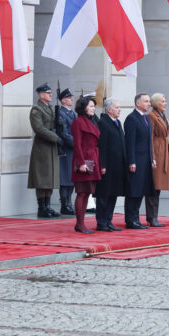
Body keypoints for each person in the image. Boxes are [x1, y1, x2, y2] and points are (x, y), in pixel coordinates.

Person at [28, 83, 62, 218]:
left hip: (51, 146)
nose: (51, 95)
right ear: (41, 94)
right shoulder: (36, 110)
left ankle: (47, 206)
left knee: (50, 177)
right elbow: (39, 129)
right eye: (48, 93)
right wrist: (56, 138)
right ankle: (41, 207)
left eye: (50, 93)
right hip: (42, 147)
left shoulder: (50, 108)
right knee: (42, 178)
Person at [124, 93, 156, 229]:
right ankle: (131, 220)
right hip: (136, 161)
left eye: (149, 101)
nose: (149, 104)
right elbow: (129, 143)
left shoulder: (145, 118)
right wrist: (131, 161)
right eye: (146, 101)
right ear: (138, 103)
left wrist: (152, 158)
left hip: (145, 161)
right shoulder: (132, 118)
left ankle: (136, 218)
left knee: (141, 190)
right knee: (134, 191)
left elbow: (149, 141)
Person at [70, 96, 102, 234]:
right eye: (90, 106)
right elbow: (76, 144)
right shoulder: (78, 122)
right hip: (83, 161)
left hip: (93, 159)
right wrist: (81, 163)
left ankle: (81, 223)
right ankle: (79, 224)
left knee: (88, 193)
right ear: (83, 108)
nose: (93, 108)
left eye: (94, 106)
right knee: (81, 193)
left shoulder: (93, 121)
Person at [96, 98, 126, 232]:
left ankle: (108, 220)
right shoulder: (103, 122)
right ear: (109, 109)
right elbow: (102, 146)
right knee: (104, 194)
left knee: (113, 193)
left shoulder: (118, 122)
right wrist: (102, 164)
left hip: (117, 165)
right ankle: (101, 222)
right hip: (107, 165)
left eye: (119, 107)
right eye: (117, 107)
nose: (119, 110)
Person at [147, 93, 169, 227]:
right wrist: (152, 158)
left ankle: (154, 216)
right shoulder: (151, 116)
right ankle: (151, 217)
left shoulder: (163, 115)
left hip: (164, 153)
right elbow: (149, 138)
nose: (165, 103)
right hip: (157, 153)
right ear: (156, 103)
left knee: (158, 187)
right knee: (154, 186)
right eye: (163, 101)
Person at [56, 88, 76, 215]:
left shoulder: (73, 113)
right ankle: (65, 204)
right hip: (66, 149)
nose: (71, 99)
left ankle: (69, 202)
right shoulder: (61, 113)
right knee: (65, 178)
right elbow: (64, 132)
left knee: (72, 177)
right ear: (63, 100)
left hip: (73, 150)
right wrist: (76, 143)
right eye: (69, 98)